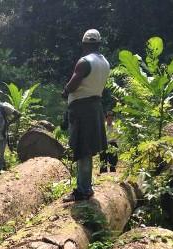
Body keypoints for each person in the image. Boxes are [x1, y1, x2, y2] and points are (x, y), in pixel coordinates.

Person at [62, 29, 111, 202]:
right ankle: (85, 187)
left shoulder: (84, 62)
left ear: (84, 44)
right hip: (95, 105)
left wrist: (65, 91)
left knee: (82, 149)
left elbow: (73, 85)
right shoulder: (105, 62)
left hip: (82, 109)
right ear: (98, 44)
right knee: (87, 149)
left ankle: (83, 190)